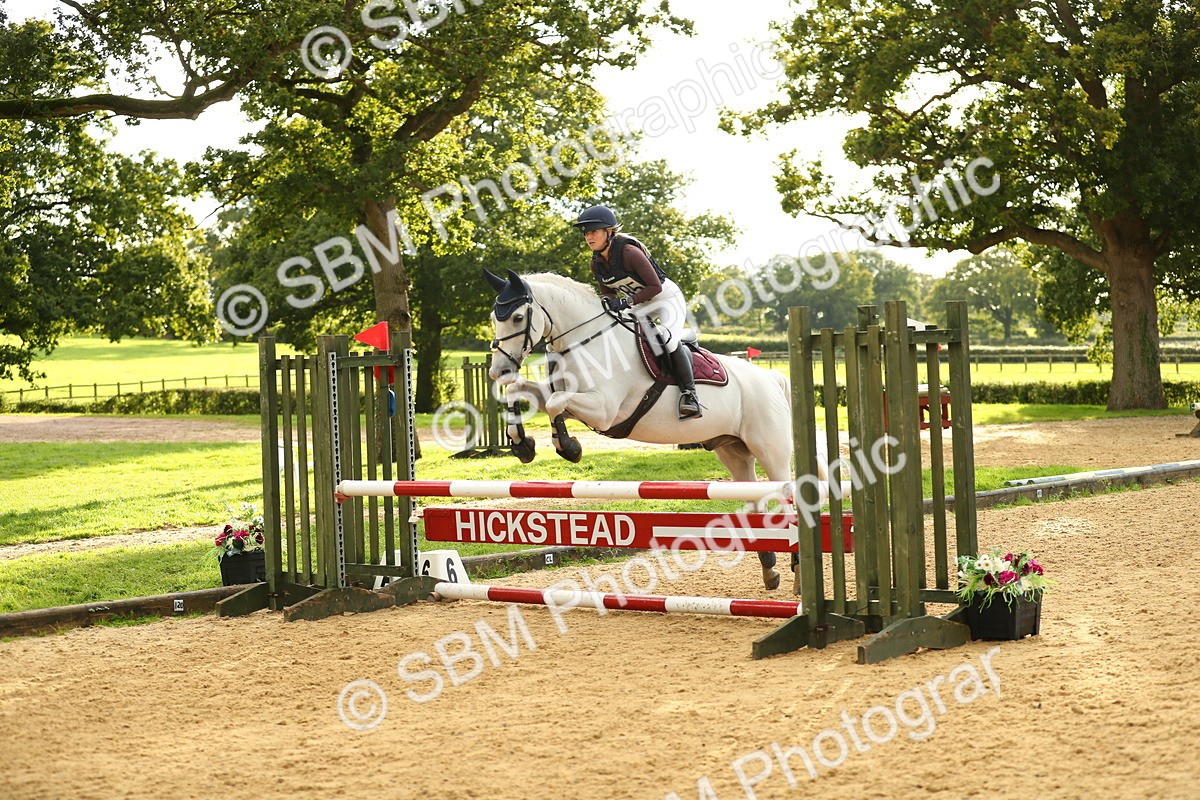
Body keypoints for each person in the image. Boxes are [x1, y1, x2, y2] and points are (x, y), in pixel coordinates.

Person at [571, 204, 701, 420]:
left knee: (666, 340)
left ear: (609, 232)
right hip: (640, 303)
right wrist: (608, 303)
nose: (589, 237)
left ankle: (690, 395)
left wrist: (625, 301)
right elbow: (608, 293)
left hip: (666, 299)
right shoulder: (596, 264)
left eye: (594, 231)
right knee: (617, 332)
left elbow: (655, 287)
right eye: (586, 233)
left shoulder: (630, 252)